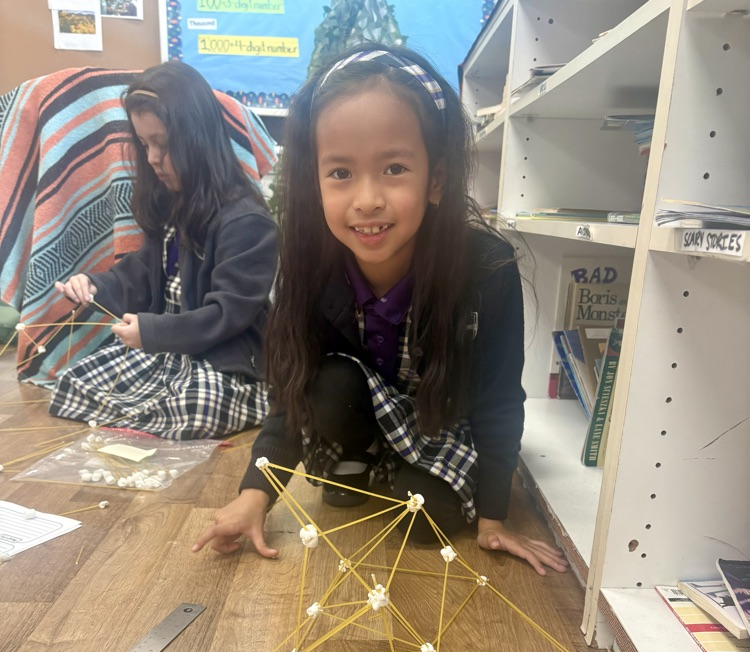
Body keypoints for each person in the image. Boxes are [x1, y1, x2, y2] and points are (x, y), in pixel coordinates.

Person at [193, 44, 567, 574]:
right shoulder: (308, 267)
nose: (366, 199)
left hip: (439, 422)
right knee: (327, 383)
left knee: (426, 520)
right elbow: (290, 391)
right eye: (340, 173)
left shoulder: (486, 269)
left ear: (436, 179)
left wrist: (493, 518)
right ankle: (360, 457)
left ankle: (396, 473)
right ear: (314, 181)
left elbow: (499, 398)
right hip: (354, 412)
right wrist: (256, 493)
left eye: (394, 168)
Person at [50, 62, 278, 439]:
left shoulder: (247, 221)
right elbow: (140, 273)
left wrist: (154, 331)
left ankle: (164, 410)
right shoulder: (171, 204)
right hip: (170, 354)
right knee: (72, 382)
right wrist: (93, 286)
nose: (153, 157)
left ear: (198, 139)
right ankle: (152, 411)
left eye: (164, 144)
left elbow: (228, 314)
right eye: (145, 144)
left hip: (225, 360)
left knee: (199, 406)